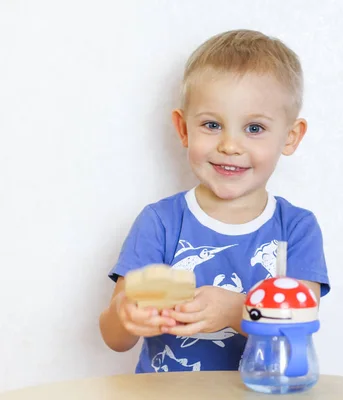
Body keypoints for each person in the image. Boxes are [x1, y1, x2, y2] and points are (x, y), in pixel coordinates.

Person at [98, 29, 330, 374]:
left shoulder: (296, 228)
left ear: (290, 136)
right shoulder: (159, 222)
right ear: (183, 129)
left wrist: (237, 311)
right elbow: (115, 339)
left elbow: (298, 331)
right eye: (212, 124)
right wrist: (127, 315)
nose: (230, 146)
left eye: (254, 128)